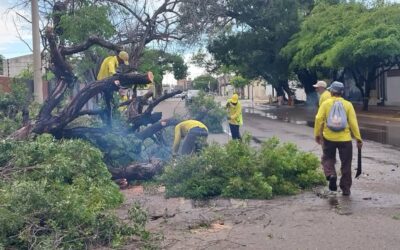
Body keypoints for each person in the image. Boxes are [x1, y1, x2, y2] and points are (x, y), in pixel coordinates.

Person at [314, 81, 363, 196]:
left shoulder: (326, 104)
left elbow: (318, 119)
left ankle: (331, 175)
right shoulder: (348, 104)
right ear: (342, 92)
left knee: (327, 158)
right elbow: (353, 123)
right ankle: (346, 189)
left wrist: (317, 134)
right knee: (346, 164)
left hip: (328, 138)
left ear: (331, 91)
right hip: (345, 139)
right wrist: (358, 139)